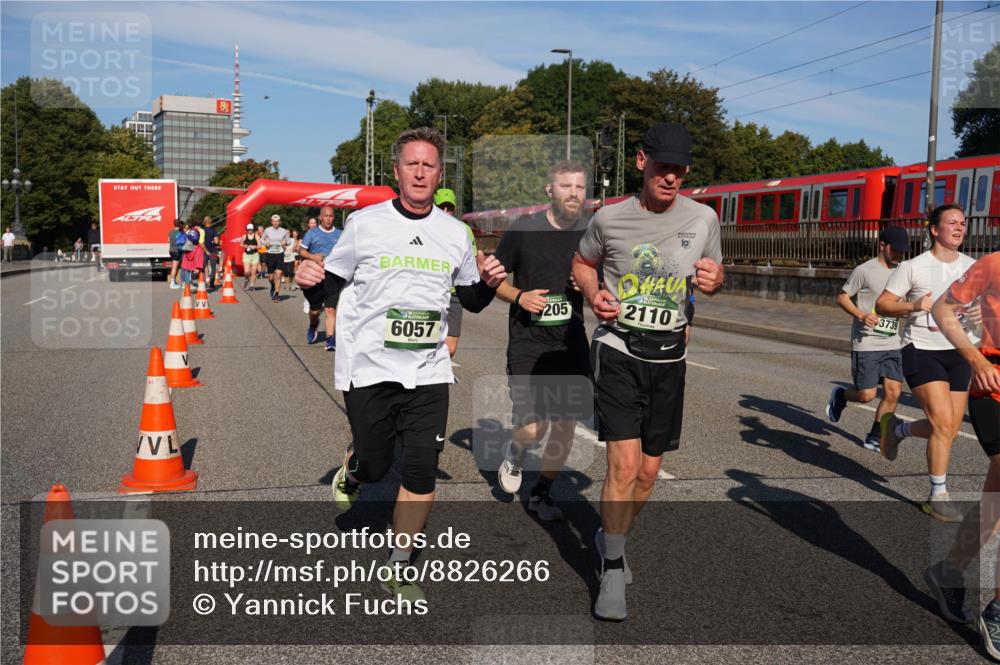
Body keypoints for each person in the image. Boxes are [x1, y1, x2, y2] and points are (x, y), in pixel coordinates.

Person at [295, 127, 506, 602]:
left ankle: (400, 563)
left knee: (420, 472)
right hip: (370, 366)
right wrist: (309, 280)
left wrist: (490, 282)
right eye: (412, 164)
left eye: (429, 165)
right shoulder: (365, 223)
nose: (420, 172)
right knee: (375, 466)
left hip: (429, 370)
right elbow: (332, 282)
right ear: (396, 171)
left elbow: (471, 299)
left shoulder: (453, 234)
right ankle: (354, 470)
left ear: (439, 175)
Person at [572, 122, 724, 621]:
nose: (671, 177)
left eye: (679, 169)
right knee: (623, 465)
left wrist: (716, 279)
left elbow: (714, 273)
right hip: (618, 349)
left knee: (649, 471)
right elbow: (582, 263)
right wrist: (593, 293)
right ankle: (613, 567)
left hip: (670, 357)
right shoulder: (610, 218)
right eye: (662, 167)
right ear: (642, 161)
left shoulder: (703, 219)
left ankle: (610, 537)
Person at [492, 161, 591, 521]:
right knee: (534, 427)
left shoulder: (591, 232)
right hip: (528, 341)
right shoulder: (524, 230)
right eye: (566, 186)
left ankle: (542, 493)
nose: (573, 194)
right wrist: (519, 297)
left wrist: (589, 282)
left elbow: (608, 275)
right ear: (550, 190)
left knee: (565, 424)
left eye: (580, 187)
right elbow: (494, 280)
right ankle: (516, 454)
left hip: (570, 340)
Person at [875, 203, 977, 522]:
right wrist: (914, 305)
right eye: (952, 223)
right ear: (934, 230)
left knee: (949, 428)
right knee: (943, 423)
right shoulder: (913, 267)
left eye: (963, 223)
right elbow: (883, 304)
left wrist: (982, 310)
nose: (959, 228)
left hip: (960, 351)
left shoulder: (974, 267)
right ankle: (938, 496)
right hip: (921, 348)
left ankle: (897, 429)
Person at [923, 252, 1000, 659]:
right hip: (993, 389)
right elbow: (942, 309)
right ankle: (999, 611)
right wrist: (975, 359)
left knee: (993, 506)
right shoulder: (994, 264)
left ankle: (948, 572)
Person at [826, 226, 910, 449]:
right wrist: (861, 315)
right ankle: (841, 396)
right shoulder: (864, 270)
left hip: (892, 341)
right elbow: (842, 298)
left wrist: (904, 308)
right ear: (882, 245)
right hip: (867, 342)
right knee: (866, 395)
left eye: (903, 250)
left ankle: (875, 436)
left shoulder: (903, 271)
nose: (900, 254)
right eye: (896, 249)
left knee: (893, 392)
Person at [434, 188, 478, 359]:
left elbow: (472, 259)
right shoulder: (426, 227)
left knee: (450, 348)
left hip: (454, 294)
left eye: (450, 207)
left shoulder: (463, 230)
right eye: (442, 207)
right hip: (432, 291)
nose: (446, 211)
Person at [300, 206, 342, 351]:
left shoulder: (340, 234)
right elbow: (301, 251)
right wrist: (312, 257)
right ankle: (313, 326)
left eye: (331, 216)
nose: (328, 219)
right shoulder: (312, 233)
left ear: (334, 217)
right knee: (315, 311)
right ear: (320, 217)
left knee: (330, 309)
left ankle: (330, 340)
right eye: (325, 216)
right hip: (315, 275)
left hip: (333, 276)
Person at [261, 215, 290, 303]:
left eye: (277, 221)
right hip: (270, 254)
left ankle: (276, 294)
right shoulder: (267, 230)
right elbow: (261, 240)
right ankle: (273, 285)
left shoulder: (284, 231)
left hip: (280, 254)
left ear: (280, 222)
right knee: (270, 277)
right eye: (274, 221)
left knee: (278, 274)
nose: (275, 223)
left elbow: (289, 241)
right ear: (271, 222)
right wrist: (265, 243)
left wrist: (285, 242)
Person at [241, 223, 261, 290]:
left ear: (253, 229)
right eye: (248, 229)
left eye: (251, 229)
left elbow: (260, 246)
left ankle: (252, 285)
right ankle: (247, 279)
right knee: (246, 272)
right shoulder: (244, 236)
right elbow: (241, 244)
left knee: (254, 272)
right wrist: (245, 246)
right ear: (247, 229)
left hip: (255, 255)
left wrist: (255, 247)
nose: (250, 230)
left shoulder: (256, 236)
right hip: (247, 255)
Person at [202, 217, 220, 290]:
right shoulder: (213, 231)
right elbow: (216, 241)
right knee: (213, 268)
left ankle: (202, 283)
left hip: (204, 250)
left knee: (202, 267)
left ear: (204, 222)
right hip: (213, 251)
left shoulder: (202, 230)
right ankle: (211, 284)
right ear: (211, 222)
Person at [167, 219, 183, 289]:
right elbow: (182, 242)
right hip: (177, 251)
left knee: (176, 266)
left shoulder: (170, 232)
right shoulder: (180, 233)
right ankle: (172, 283)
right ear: (180, 225)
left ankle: (174, 281)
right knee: (175, 267)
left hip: (171, 250)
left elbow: (168, 240)